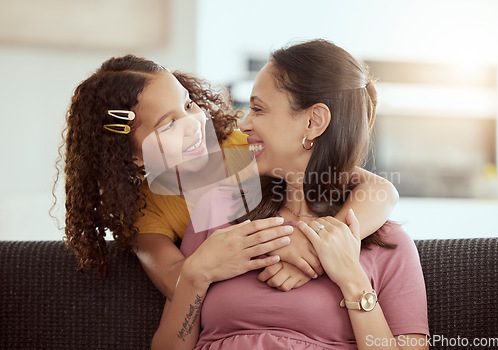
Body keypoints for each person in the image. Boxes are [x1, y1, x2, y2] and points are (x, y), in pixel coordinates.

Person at [151, 40, 429, 350]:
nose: (244, 125)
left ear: (313, 122)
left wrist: (352, 280)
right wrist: (195, 274)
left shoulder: (387, 243)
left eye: (258, 109)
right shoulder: (218, 210)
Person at [57, 53, 398, 304]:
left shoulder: (245, 144)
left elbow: (380, 190)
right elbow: (178, 282)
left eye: (188, 105)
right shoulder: (148, 211)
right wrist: (274, 251)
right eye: (167, 125)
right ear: (132, 156)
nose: (192, 125)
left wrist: (315, 249)